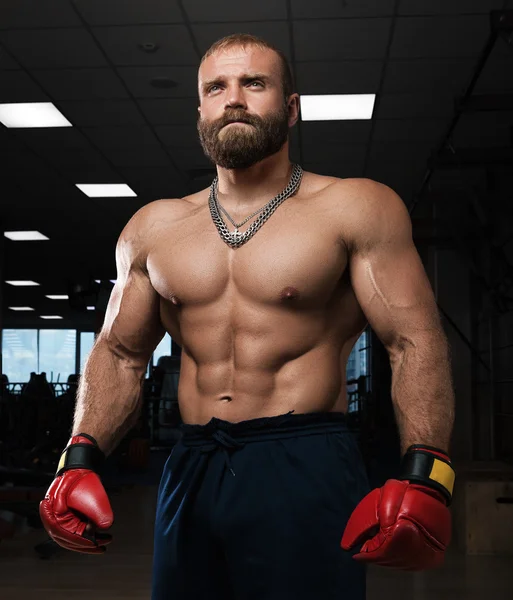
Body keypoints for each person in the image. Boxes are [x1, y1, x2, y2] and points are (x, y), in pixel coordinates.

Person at [39, 34, 456, 599]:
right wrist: (78, 456)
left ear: (290, 107)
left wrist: (429, 473)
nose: (233, 98)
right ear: (201, 109)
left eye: (253, 83)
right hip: (192, 463)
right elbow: (120, 352)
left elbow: (413, 341)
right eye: (217, 87)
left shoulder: (356, 207)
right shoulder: (153, 229)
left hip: (304, 460)